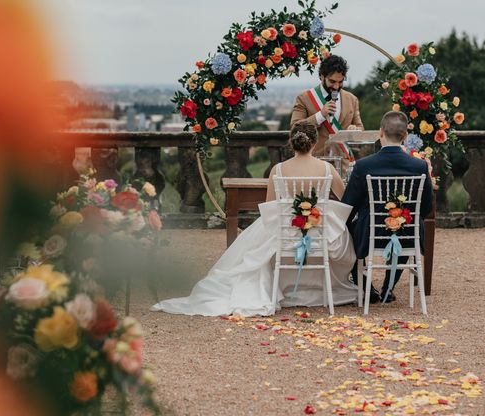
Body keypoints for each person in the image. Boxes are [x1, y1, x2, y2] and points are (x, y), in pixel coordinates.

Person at [152, 121, 357, 317]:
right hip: (320, 233)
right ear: (315, 143)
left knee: (252, 248)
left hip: (285, 235)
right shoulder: (326, 169)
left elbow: (270, 208)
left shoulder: (278, 170)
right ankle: (320, 288)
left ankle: (278, 288)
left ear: (291, 141)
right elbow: (345, 199)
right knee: (342, 235)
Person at [341, 111, 433, 303]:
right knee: (411, 225)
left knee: (344, 226)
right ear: (406, 136)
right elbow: (425, 208)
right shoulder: (420, 166)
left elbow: (347, 208)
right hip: (407, 236)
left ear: (380, 132)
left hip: (369, 235)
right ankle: (387, 288)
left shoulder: (363, 166)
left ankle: (366, 286)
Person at [290, 55, 364, 161]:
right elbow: (294, 128)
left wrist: (355, 130)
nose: (336, 87)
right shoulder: (304, 98)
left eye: (340, 82)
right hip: (314, 162)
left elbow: (360, 128)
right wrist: (321, 115)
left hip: (344, 161)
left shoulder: (352, 99)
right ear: (321, 76)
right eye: (332, 81)